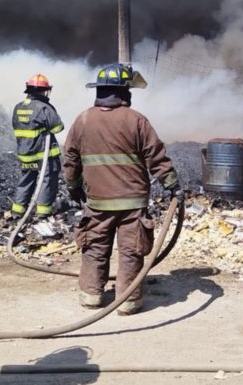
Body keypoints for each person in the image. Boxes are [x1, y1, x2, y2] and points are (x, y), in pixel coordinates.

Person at [62, 63, 182, 315]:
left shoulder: (83, 119)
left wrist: (73, 186)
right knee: (131, 252)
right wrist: (173, 186)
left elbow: (71, 158)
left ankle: (92, 296)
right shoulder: (136, 120)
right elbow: (156, 157)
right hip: (132, 203)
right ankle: (128, 302)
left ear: (101, 91)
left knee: (94, 247)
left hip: (98, 201)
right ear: (124, 92)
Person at [11, 73, 64, 217]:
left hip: (25, 154)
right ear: (43, 91)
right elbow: (58, 128)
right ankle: (43, 212)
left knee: (26, 180)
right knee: (47, 180)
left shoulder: (18, 107)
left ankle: (17, 211)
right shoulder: (44, 108)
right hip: (44, 155)